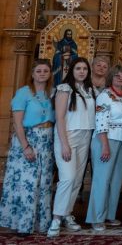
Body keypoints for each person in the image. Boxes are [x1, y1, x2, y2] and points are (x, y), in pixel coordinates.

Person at [0, 60, 55, 235]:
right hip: (28, 140)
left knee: (44, 183)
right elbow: (17, 123)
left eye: (45, 71)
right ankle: (23, 224)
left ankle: (41, 224)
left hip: (47, 142)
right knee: (27, 183)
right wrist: (26, 146)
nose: (42, 73)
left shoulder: (51, 93)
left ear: (50, 74)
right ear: (32, 74)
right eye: (38, 71)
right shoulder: (23, 92)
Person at [48, 57, 95, 237]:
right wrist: (64, 144)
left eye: (85, 69)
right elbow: (59, 118)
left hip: (85, 136)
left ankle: (67, 214)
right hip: (68, 136)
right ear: (71, 70)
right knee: (67, 178)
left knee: (76, 180)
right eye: (78, 68)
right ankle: (56, 218)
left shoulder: (89, 90)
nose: (82, 72)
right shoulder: (64, 88)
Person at [86, 65, 122, 231]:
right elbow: (101, 121)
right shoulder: (105, 95)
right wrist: (104, 145)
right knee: (102, 180)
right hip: (105, 140)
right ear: (111, 77)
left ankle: (109, 215)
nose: (120, 78)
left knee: (116, 180)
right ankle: (96, 217)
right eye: (117, 75)